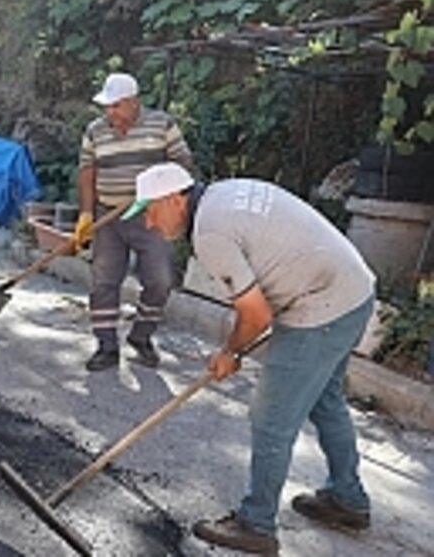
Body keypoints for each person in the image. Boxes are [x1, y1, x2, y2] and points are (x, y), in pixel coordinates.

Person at [123, 162, 376, 555]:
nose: (151, 225)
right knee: (326, 400)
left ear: (176, 198)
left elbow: (256, 314)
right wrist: (235, 347)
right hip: (353, 291)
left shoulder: (210, 233)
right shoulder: (223, 194)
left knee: (272, 417)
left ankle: (256, 524)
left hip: (322, 304)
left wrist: (230, 352)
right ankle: (348, 499)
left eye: (152, 211)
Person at [72, 72, 194, 371]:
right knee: (104, 280)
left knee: (161, 279)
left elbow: (184, 164)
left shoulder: (162, 125)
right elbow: (87, 173)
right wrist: (87, 214)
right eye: (107, 106)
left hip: (151, 216)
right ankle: (106, 347)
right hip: (108, 216)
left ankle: (141, 335)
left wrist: (153, 188)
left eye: (116, 106)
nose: (110, 112)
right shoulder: (95, 131)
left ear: (134, 103)